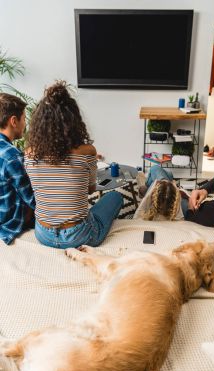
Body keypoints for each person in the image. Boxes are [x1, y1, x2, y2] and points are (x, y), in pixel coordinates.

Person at [24, 81, 123, 249]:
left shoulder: (29, 153)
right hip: (79, 236)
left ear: (39, 124)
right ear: (73, 121)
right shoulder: (87, 151)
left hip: (43, 234)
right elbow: (90, 190)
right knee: (115, 197)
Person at [135, 165, 214, 228]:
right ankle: (154, 186)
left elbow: (190, 221)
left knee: (156, 170)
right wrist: (205, 190)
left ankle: (157, 187)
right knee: (168, 174)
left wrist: (191, 205)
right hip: (200, 205)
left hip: (188, 210)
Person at [0, 93, 35, 245]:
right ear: (14, 121)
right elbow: (33, 201)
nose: (25, 125)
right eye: (24, 119)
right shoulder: (12, 156)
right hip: (7, 221)